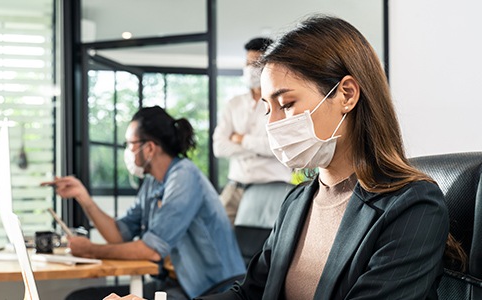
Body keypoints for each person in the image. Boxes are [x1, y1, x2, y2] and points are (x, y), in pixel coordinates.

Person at [196, 15, 466, 299]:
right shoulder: (297, 201)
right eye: (267, 109)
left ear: (346, 95)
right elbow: (250, 294)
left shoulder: (414, 206)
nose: (271, 124)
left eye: (286, 104)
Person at [44, 106, 245, 300]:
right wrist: (83, 197)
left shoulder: (184, 176)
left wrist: (90, 250)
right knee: (79, 298)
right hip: (174, 285)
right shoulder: (153, 183)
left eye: (130, 144)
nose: (127, 151)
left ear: (149, 148)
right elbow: (119, 234)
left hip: (209, 290)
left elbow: (152, 250)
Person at [213, 37, 293, 224]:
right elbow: (219, 147)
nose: (251, 69)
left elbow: (280, 147)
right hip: (235, 187)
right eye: (248, 63)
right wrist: (259, 148)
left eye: (256, 63)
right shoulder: (234, 104)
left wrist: (241, 139)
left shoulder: (285, 103)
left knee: (264, 246)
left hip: (272, 188)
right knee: (218, 238)